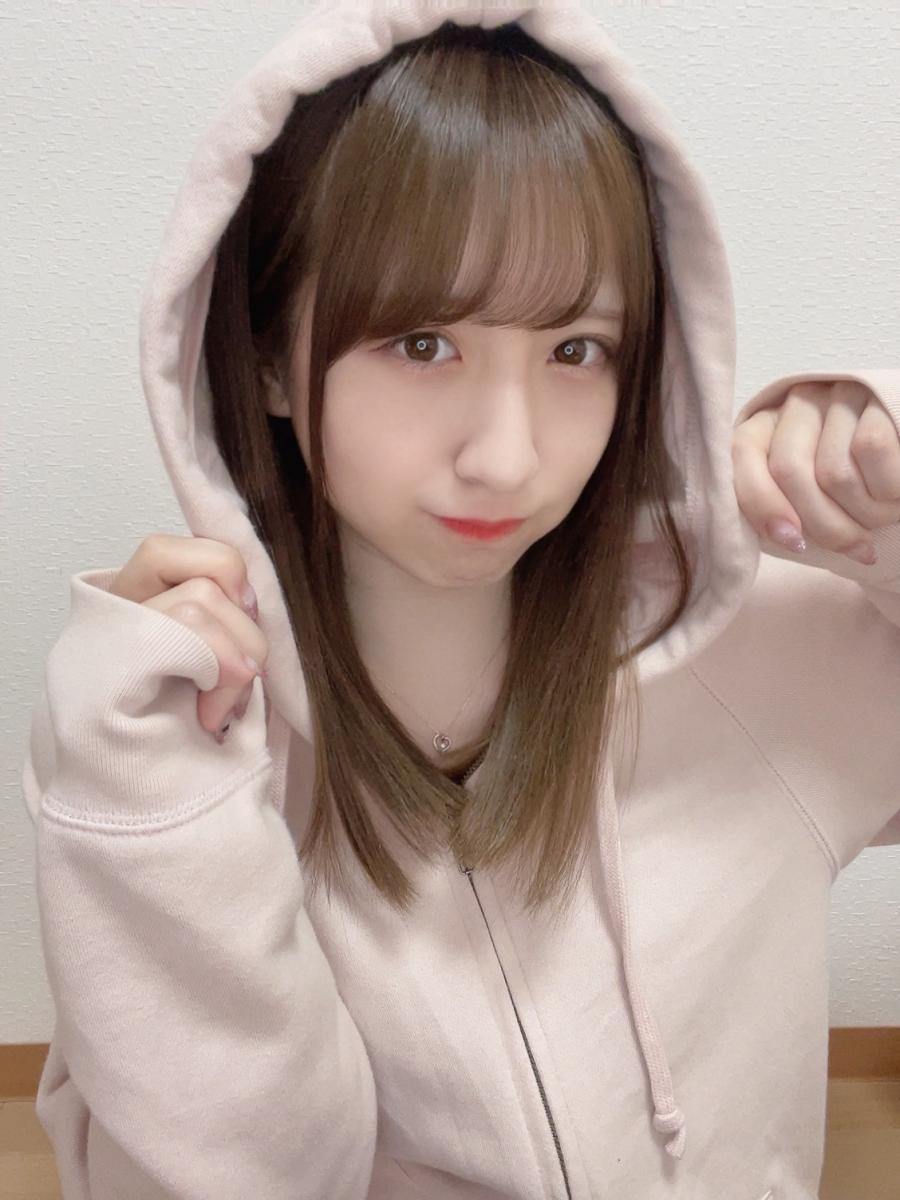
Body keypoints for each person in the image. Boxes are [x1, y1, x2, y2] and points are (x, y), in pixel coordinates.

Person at [20, 2, 900, 1198]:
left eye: (576, 349)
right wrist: (147, 813)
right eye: (423, 343)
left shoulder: (759, 653)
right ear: (270, 357)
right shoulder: (195, 741)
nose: (507, 456)